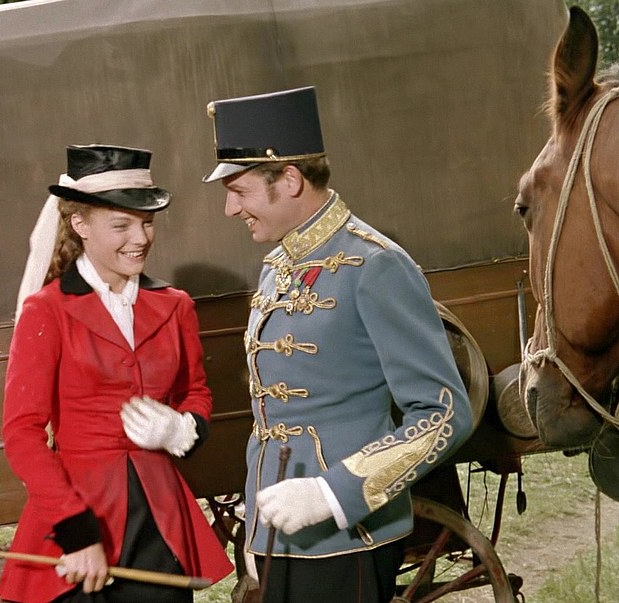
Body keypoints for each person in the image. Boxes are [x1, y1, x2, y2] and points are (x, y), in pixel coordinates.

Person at [201, 87, 474, 602]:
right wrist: (258, 528)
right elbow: (273, 418)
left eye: (239, 191)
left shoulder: (376, 264)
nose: (230, 208)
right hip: (278, 535)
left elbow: (443, 413)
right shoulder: (279, 265)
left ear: (289, 180)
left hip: (348, 538)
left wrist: (332, 493)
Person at [0, 144, 233, 603]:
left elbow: (195, 392)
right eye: (121, 225)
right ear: (80, 225)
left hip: (159, 519)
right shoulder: (47, 311)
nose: (140, 238)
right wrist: (75, 531)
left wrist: (185, 428)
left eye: (147, 223)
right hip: (79, 517)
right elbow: (21, 434)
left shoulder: (176, 306)